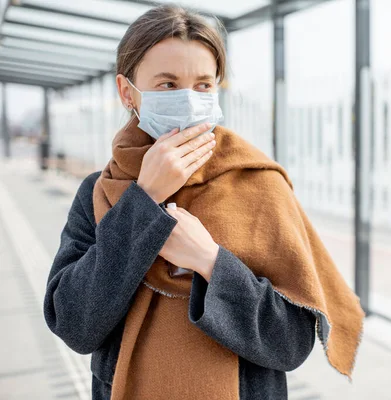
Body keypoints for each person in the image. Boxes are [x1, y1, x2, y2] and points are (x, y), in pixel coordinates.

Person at [43, 4, 364, 400]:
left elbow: (290, 344)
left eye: (203, 85)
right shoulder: (99, 191)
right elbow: (74, 325)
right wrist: (143, 202)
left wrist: (210, 261)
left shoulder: (259, 184)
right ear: (128, 92)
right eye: (167, 84)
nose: (189, 99)